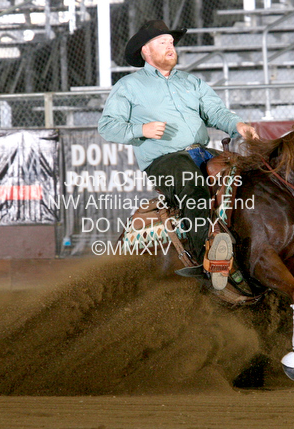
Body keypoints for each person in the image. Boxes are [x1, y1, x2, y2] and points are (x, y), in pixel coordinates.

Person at [98, 20, 258, 289]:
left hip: (202, 153)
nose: (170, 46)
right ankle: (207, 258)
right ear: (145, 51)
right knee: (192, 186)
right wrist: (141, 129)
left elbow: (216, 112)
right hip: (165, 160)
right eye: (163, 42)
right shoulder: (128, 86)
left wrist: (237, 125)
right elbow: (107, 126)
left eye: (171, 42)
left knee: (250, 174)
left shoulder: (191, 82)